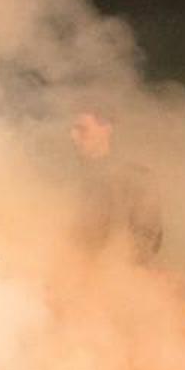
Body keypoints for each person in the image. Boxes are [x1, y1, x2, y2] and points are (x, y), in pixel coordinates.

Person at [70, 112, 162, 263]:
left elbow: (147, 239)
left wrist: (108, 270)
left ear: (106, 129)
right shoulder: (68, 176)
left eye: (82, 129)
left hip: (111, 278)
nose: (73, 136)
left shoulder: (135, 177)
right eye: (72, 129)